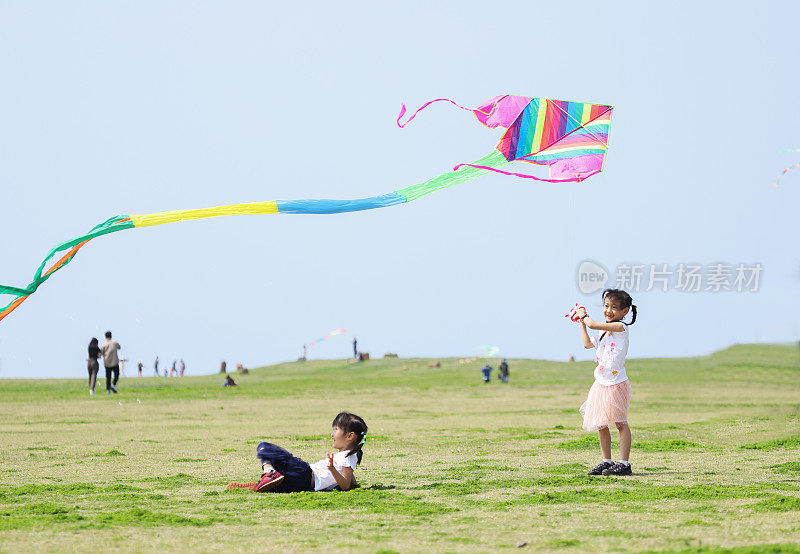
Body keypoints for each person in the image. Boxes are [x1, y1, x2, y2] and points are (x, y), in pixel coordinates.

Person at [573, 288, 637, 477]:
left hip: (616, 383)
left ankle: (624, 463)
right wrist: (581, 324)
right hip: (600, 383)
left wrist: (584, 316)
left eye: (614, 308)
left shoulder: (621, 328)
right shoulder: (603, 332)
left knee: (620, 423)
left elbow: (593, 323)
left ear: (625, 311)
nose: (609, 311)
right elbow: (586, 344)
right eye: (606, 306)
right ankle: (606, 461)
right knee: (601, 423)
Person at [226, 412, 367, 493]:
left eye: (336, 429)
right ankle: (260, 484)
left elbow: (346, 485)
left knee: (264, 447)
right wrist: (356, 485)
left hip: (306, 474)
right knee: (276, 486)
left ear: (350, 436)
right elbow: (349, 478)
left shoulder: (349, 457)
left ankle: (268, 472)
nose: (332, 434)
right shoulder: (348, 457)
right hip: (304, 484)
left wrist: (331, 469)